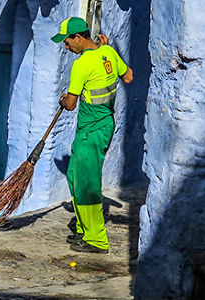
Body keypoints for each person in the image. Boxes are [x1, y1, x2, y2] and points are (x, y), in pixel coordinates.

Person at [51, 17, 133, 253]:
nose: (66, 47)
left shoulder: (81, 65)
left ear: (78, 37)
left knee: (87, 184)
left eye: (67, 42)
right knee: (75, 175)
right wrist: (109, 51)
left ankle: (96, 239)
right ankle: (83, 228)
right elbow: (128, 77)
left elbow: (71, 105)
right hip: (104, 125)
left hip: (91, 131)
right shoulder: (108, 52)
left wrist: (64, 98)